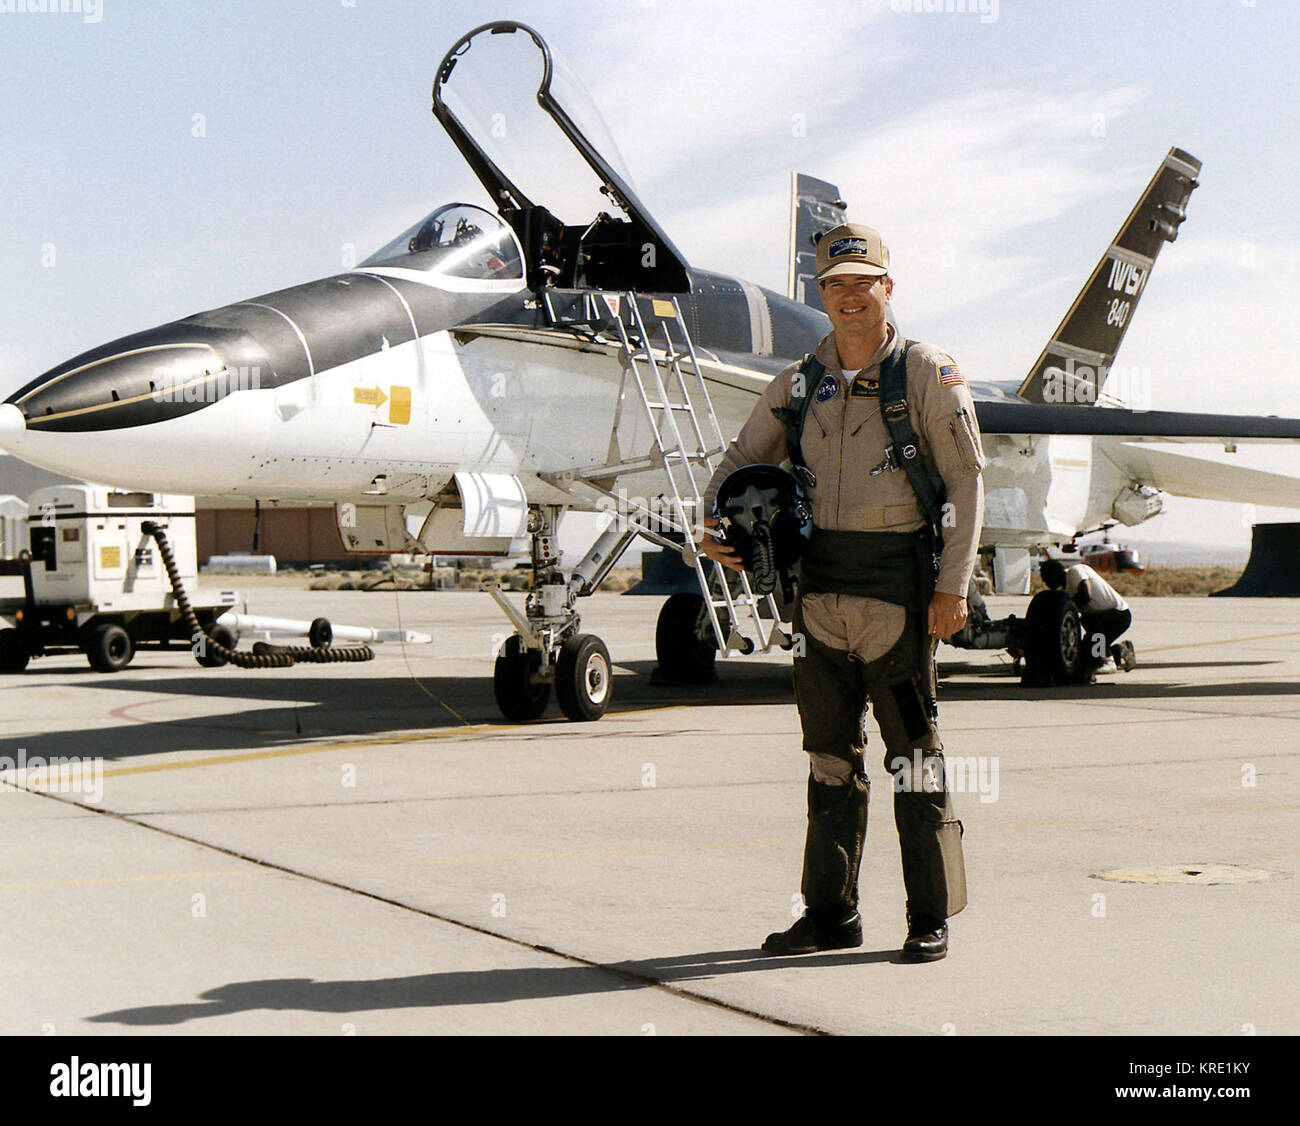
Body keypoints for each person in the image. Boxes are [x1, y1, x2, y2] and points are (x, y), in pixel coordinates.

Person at [698, 223, 985, 962]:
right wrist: (710, 521)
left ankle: (930, 917)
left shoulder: (926, 373)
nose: (850, 296)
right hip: (818, 594)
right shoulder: (799, 383)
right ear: (820, 292)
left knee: (914, 757)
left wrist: (953, 585)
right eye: (836, 284)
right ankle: (830, 916)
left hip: (897, 589)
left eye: (864, 282)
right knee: (829, 758)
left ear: (889, 287)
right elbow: (738, 458)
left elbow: (965, 481)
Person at [1038, 558, 1133, 671]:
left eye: (1046, 577)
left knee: (1088, 619)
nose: (1046, 583)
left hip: (1118, 615)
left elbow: (1086, 595)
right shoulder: (1066, 591)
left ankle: (1106, 660)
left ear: (1056, 572)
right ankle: (1120, 649)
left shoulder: (1076, 571)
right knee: (1084, 655)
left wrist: (1068, 606)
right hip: (1100, 622)